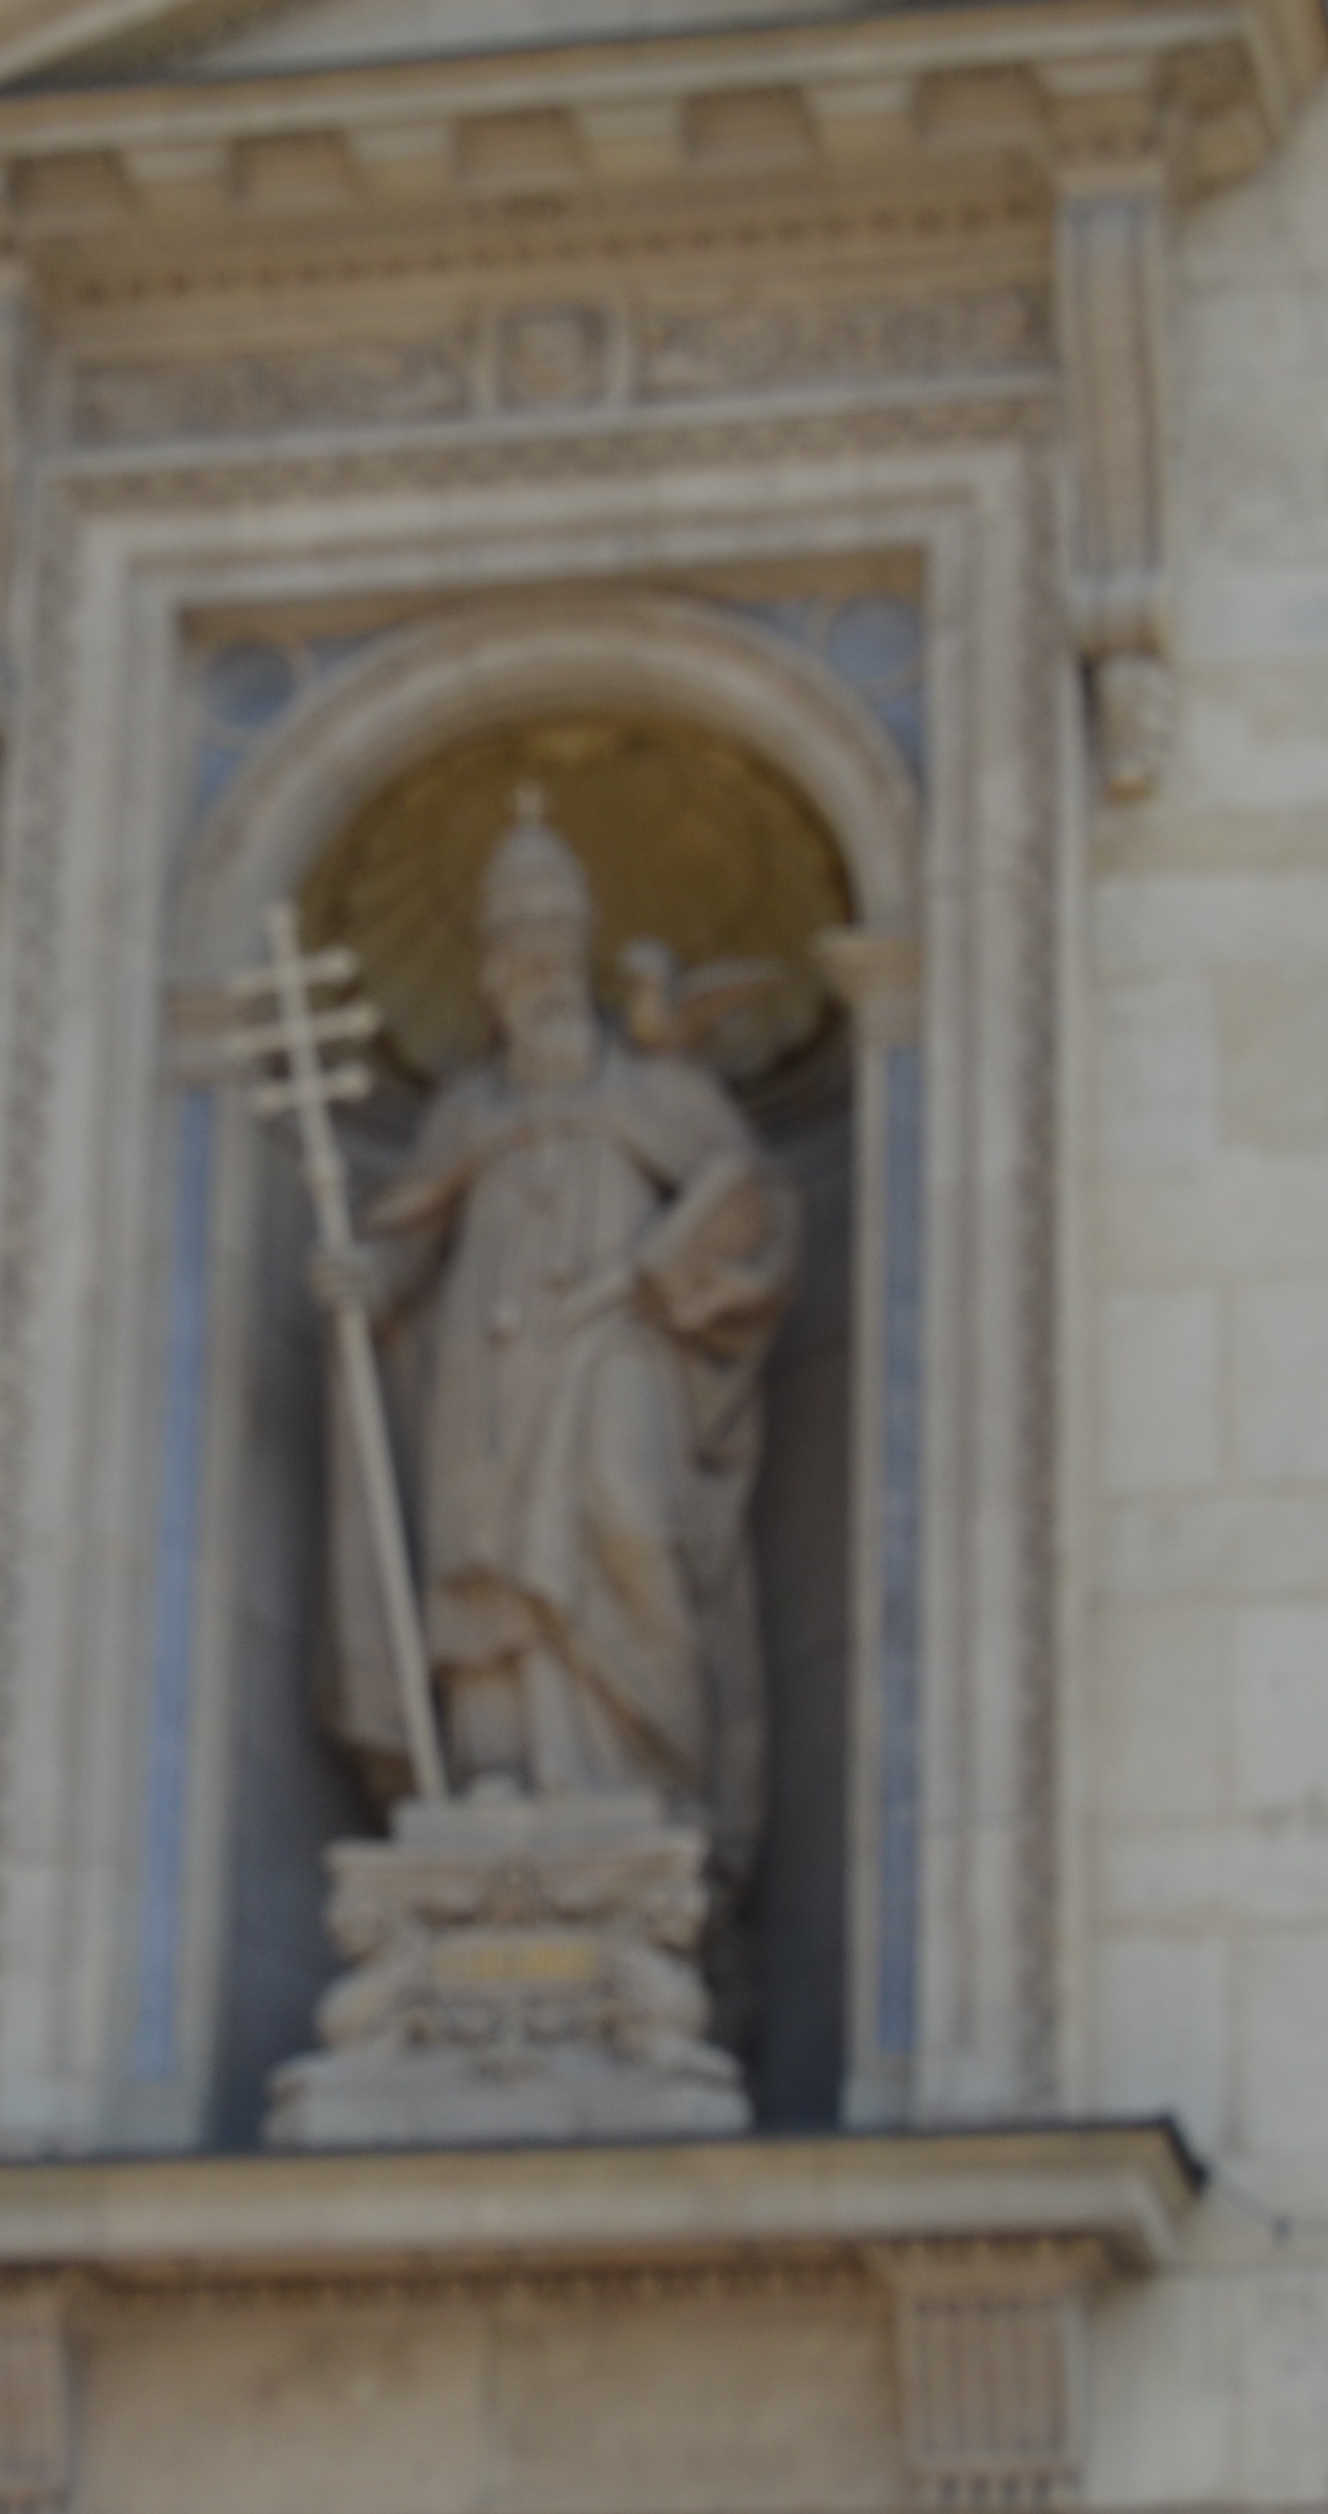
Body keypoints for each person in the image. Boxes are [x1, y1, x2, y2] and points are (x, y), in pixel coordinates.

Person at [312, 788, 798, 1867]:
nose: (539, 964)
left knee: (625, 1521)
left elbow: (756, 1206)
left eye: (554, 939)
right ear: (488, 970)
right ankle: (499, 1766)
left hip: (617, 1347)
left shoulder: (660, 1092)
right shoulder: (465, 1112)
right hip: (482, 1369)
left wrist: (687, 1274)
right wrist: (368, 1275)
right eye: (516, 944)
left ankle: (639, 1775)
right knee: (482, 1553)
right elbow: (408, 1236)